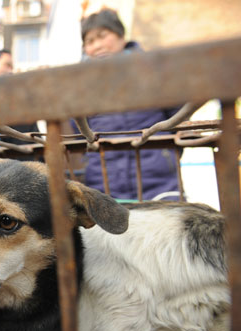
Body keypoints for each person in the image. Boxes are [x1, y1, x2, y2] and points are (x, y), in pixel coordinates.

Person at [73, 9, 181, 201]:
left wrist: (167, 155)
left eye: (102, 36)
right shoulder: (82, 83)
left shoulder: (151, 69)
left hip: (159, 182)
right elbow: (78, 130)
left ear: (121, 36)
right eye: (89, 41)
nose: (97, 45)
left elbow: (178, 116)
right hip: (103, 182)